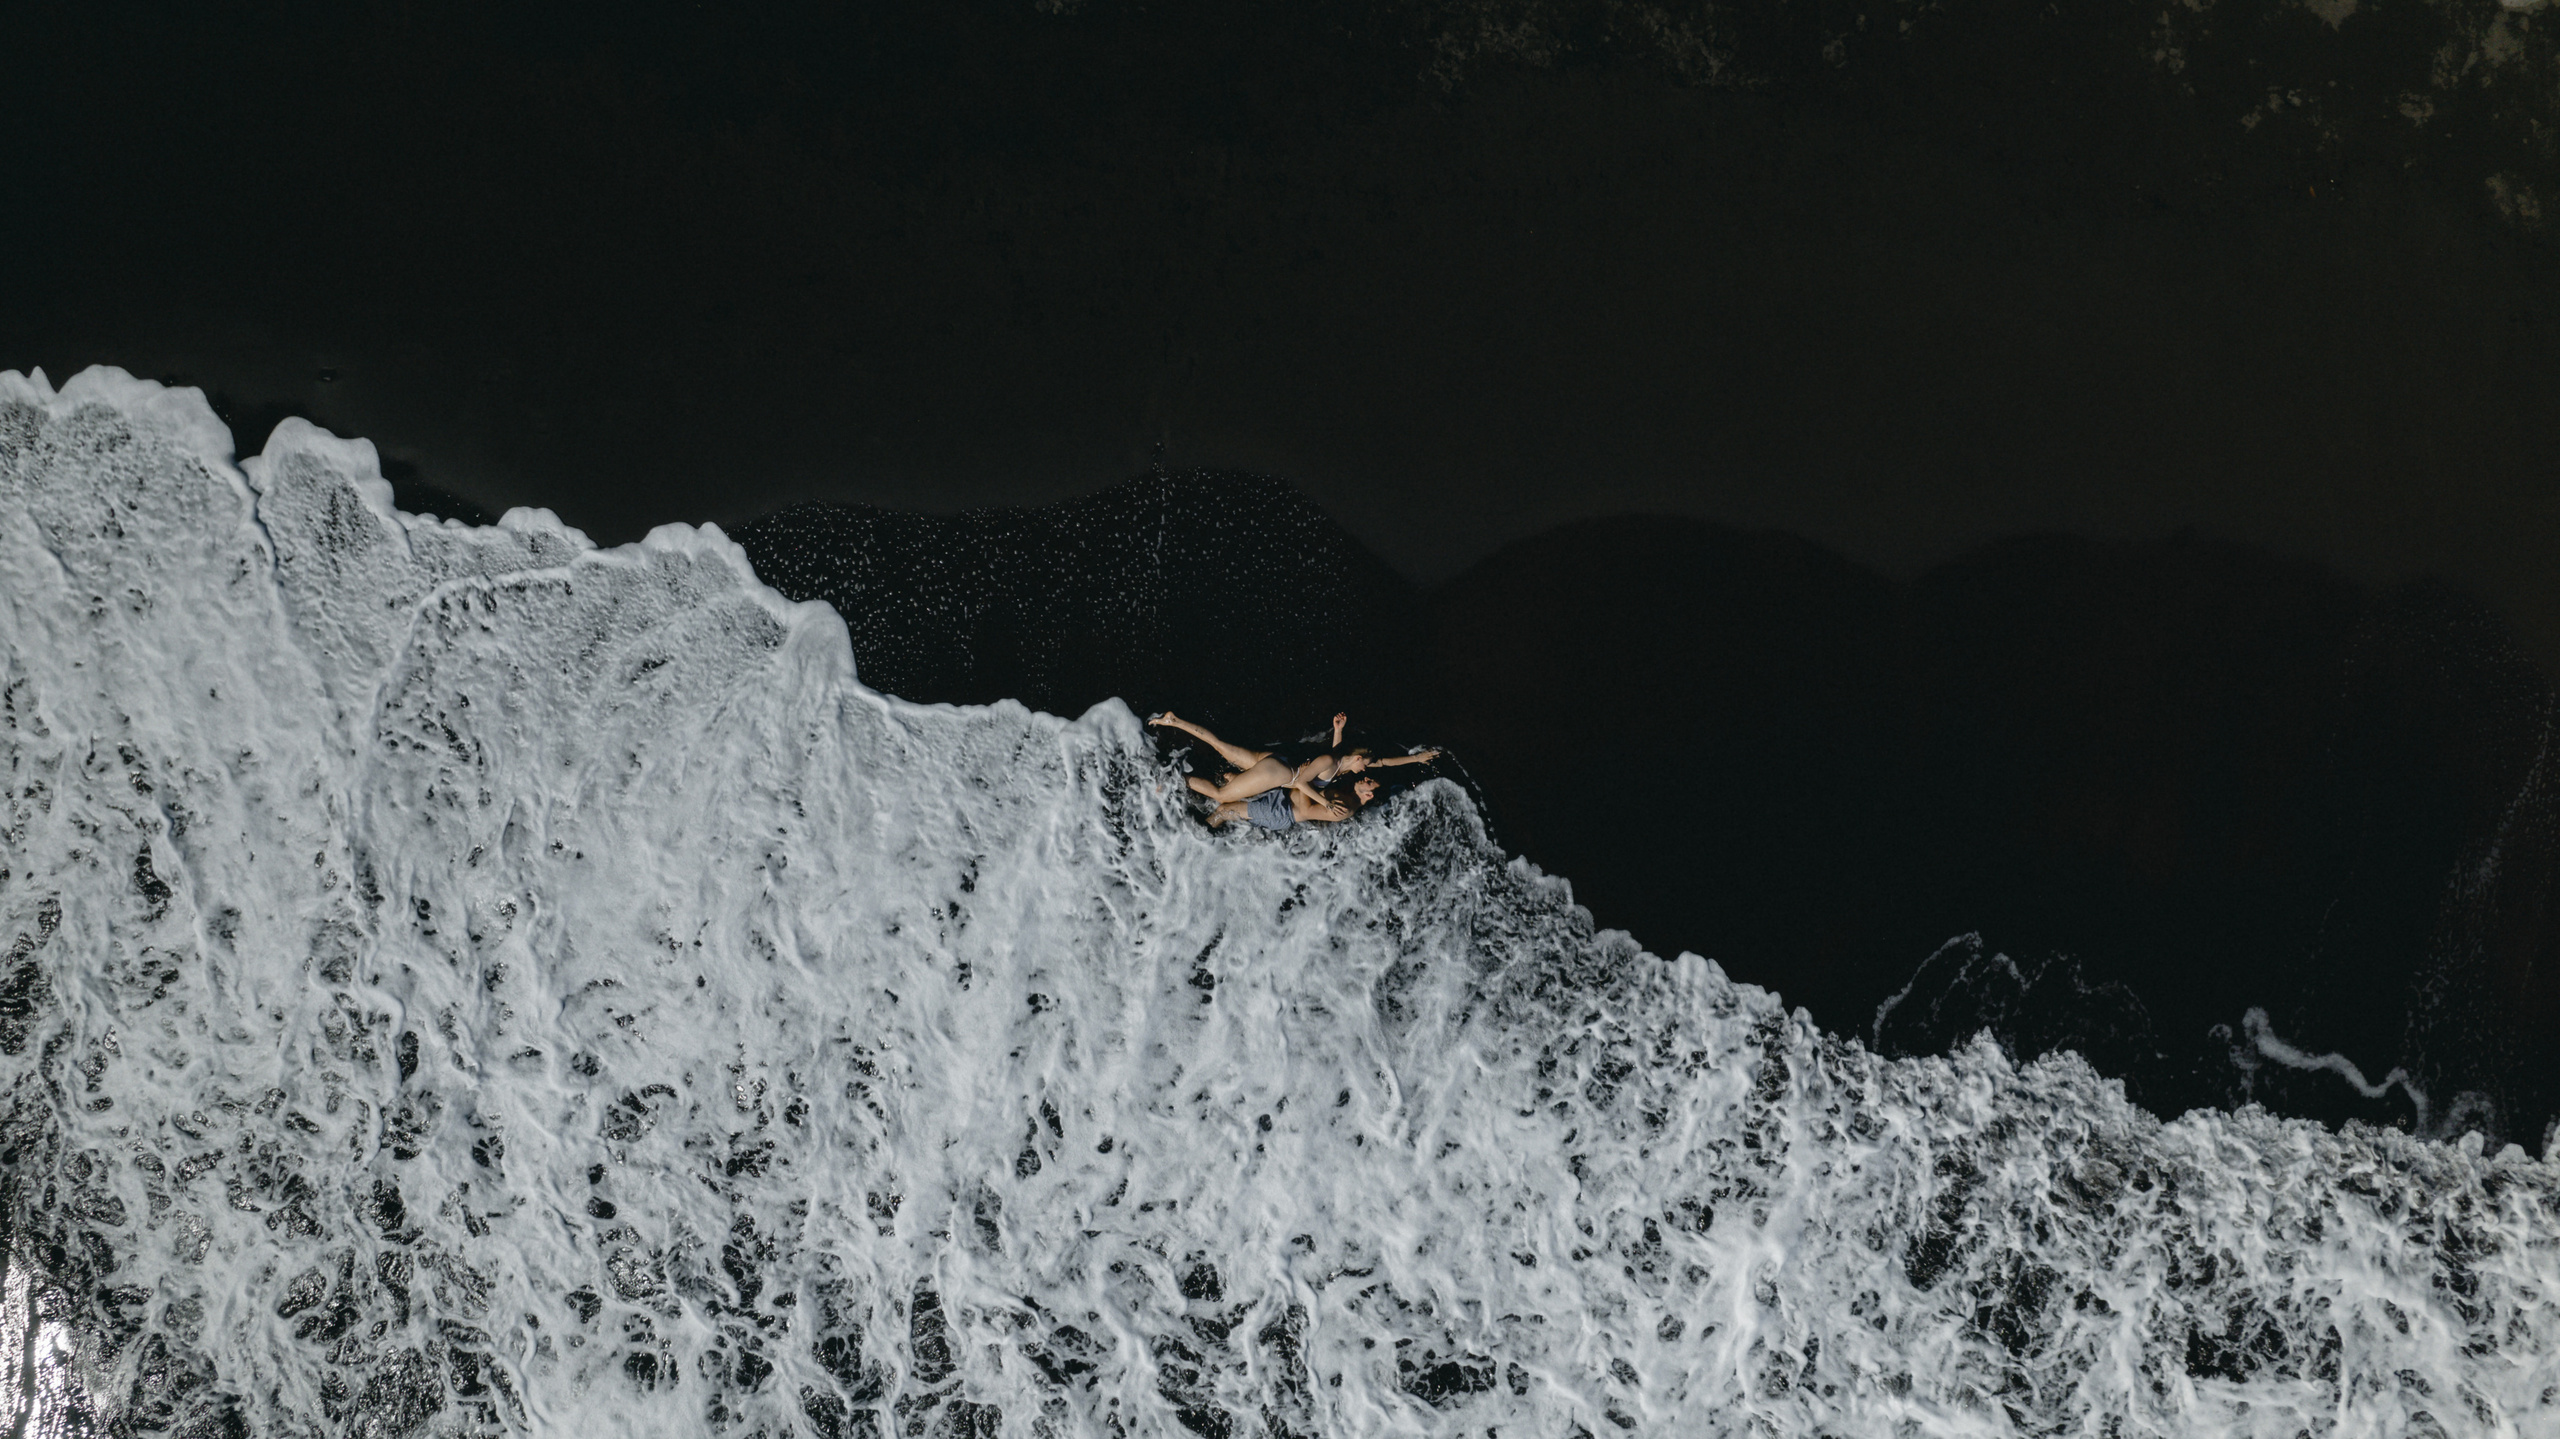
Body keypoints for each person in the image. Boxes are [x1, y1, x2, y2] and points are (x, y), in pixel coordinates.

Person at [1146, 711, 1441, 807]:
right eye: (1366, 764)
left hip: (1276, 759)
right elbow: (1300, 781)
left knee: (1220, 745)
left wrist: (1417, 759)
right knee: (1222, 796)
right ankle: (1172, 778)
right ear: (1358, 759)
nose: (1366, 770)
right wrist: (1324, 802)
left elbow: (1385, 763)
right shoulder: (1330, 761)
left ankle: (1174, 720)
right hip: (1278, 773)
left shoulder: (1339, 760)